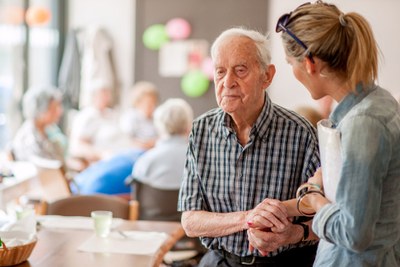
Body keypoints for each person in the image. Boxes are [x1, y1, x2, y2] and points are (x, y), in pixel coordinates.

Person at [249, 2, 400, 266]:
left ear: (309, 63)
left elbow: (353, 233)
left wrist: (316, 201)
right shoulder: (378, 102)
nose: (293, 72)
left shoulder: (363, 123)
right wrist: (315, 186)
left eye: (289, 63)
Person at [178, 27, 321, 267]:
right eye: (220, 71)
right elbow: (190, 221)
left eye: (240, 70)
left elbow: (326, 217)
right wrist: (249, 219)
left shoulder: (300, 132)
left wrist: (291, 234)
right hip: (220, 260)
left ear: (267, 76)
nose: (227, 82)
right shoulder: (201, 130)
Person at [132, 98, 193, 190]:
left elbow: (136, 198)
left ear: (159, 125)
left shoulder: (145, 161)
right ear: (188, 126)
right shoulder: (199, 160)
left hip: (150, 204)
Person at [69, 81, 130, 163]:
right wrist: (102, 155)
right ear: (94, 96)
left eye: (107, 94)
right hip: (103, 161)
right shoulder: (87, 116)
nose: (106, 97)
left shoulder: (112, 114)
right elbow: (79, 146)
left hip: (123, 156)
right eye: (102, 94)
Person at [12, 85, 66, 165]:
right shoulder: (28, 138)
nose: (60, 112)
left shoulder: (50, 130)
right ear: (41, 110)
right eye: (54, 109)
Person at [119, 81, 159, 150]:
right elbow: (127, 141)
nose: (153, 106)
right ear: (138, 102)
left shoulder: (156, 117)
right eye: (149, 103)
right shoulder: (130, 117)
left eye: (154, 103)